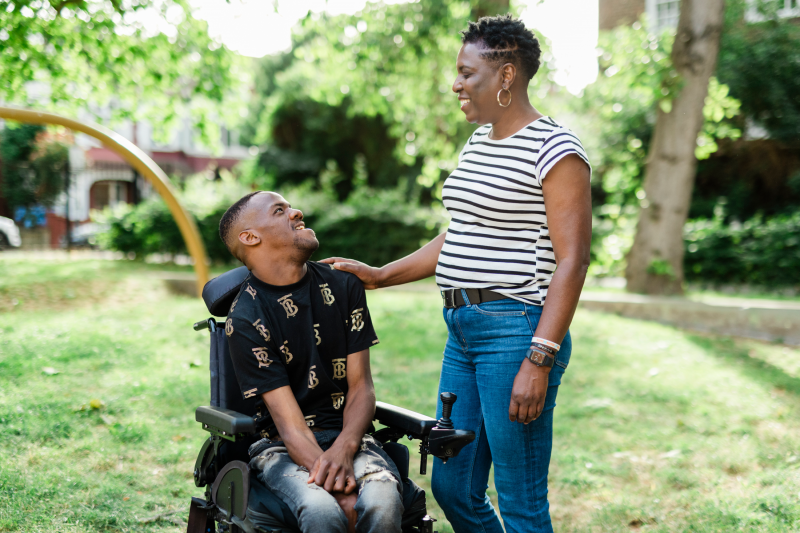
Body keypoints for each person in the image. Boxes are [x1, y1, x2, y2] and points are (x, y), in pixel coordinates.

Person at [322, 14, 592, 533]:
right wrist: (381, 275)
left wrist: (539, 358)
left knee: (521, 499)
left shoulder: (555, 150)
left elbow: (573, 259)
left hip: (517, 330)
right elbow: (460, 234)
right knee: (453, 486)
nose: (456, 84)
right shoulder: (479, 143)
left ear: (507, 75)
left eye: (467, 73)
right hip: (462, 331)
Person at [218, 191, 404, 533]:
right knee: (322, 510)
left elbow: (361, 386)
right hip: (281, 448)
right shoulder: (245, 317)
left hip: (352, 436)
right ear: (250, 237)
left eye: (291, 207)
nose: (297, 212)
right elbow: (290, 427)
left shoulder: (344, 285)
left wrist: (346, 449)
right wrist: (336, 482)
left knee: (382, 502)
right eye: (280, 210)